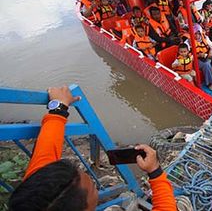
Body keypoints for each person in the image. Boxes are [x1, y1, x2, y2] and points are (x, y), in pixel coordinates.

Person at [8, 86, 176, 211]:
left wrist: (58, 108)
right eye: (93, 189)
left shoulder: (34, 201)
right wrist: (155, 172)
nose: (93, 184)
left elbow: (45, 154)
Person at [185, 24, 212, 91]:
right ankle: (210, 84)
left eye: (198, 33)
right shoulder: (187, 43)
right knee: (206, 64)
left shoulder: (205, 38)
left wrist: (211, 51)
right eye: (195, 34)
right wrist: (198, 56)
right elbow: (187, 57)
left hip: (207, 56)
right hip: (196, 60)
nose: (197, 35)